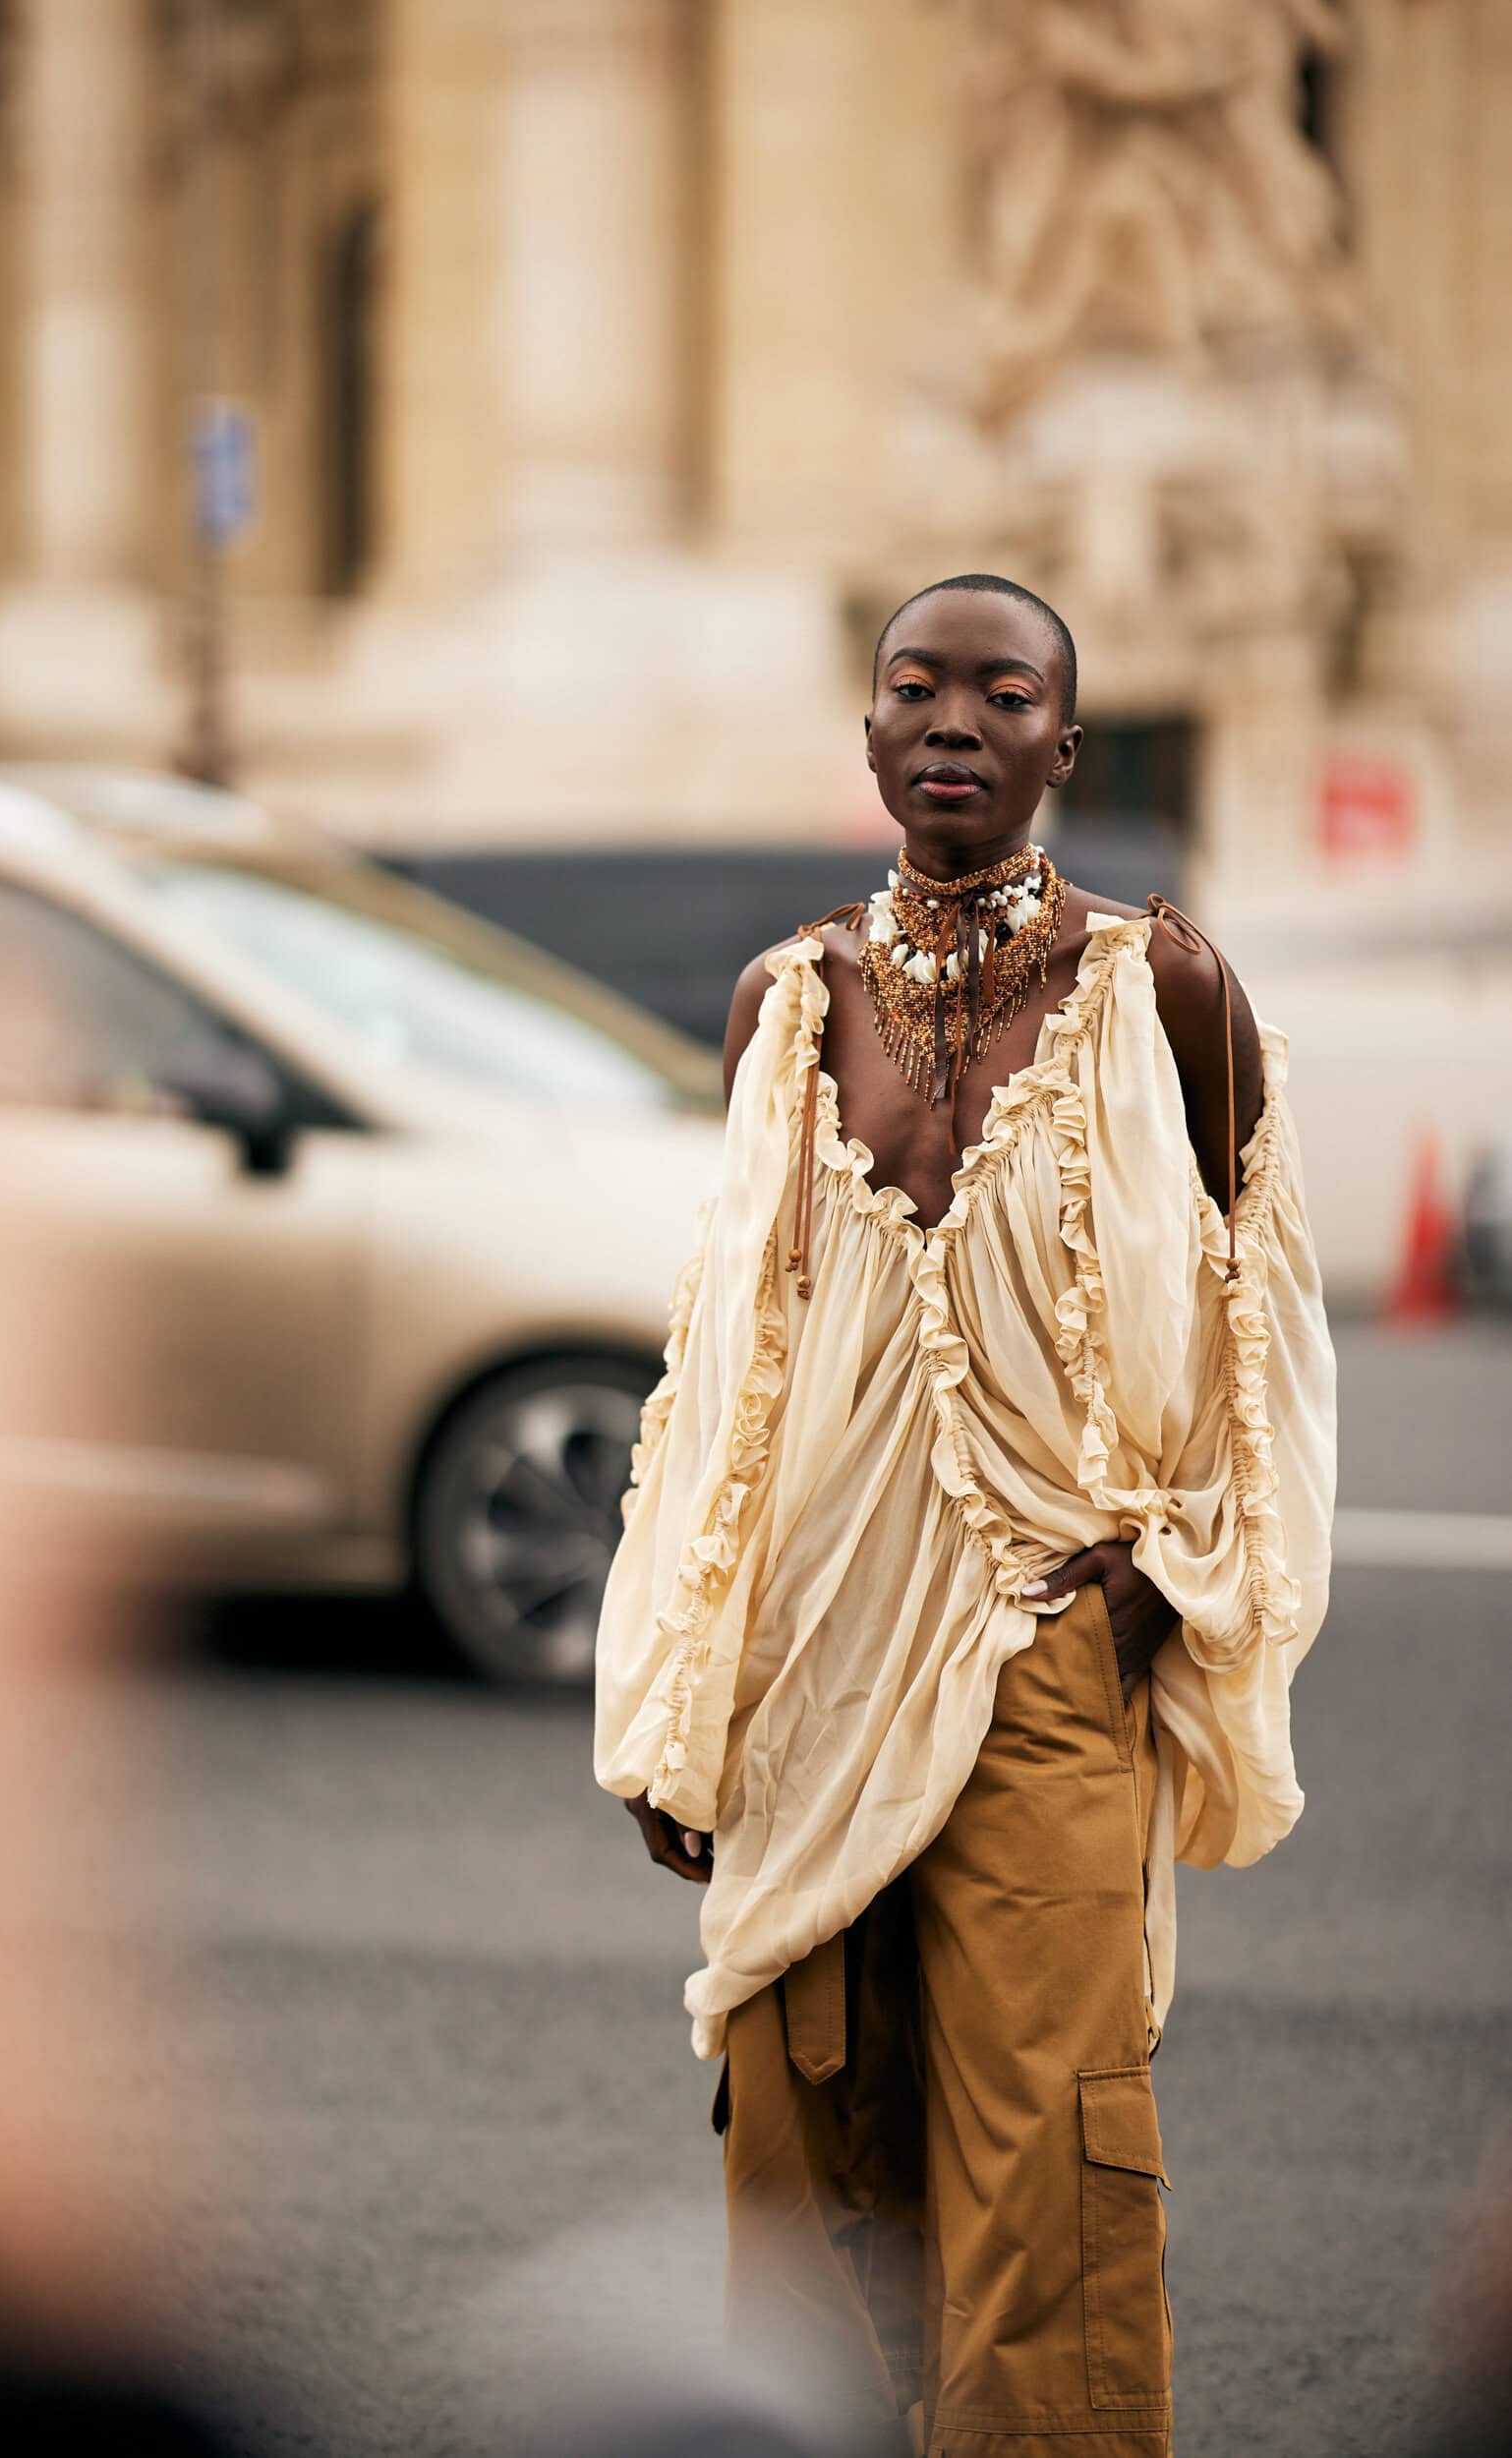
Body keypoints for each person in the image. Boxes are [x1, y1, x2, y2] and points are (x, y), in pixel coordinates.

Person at [594, 574, 1336, 2457]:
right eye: (913, 687)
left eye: (1001, 694)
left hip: (1046, 1648)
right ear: (865, 736)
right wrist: (680, 1697)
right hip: (807, 1663)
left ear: (1062, 748)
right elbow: (728, 1360)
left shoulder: (1163, 985)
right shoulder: (786, 1006)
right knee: (806, 2129)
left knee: (1050, 2168)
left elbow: (1272, 1327)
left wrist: (1177, 1591)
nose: (951, 721)